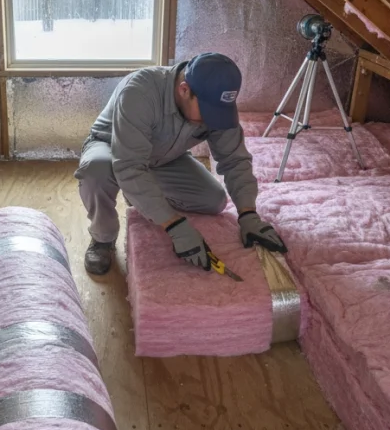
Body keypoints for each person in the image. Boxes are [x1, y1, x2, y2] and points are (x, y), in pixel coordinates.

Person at [75, 51, 287, 275]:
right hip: (113, 148)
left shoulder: (214, 101)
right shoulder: (140, 92)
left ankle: (139, 194)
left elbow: (234, 159)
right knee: (95, 171)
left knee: (213, 200)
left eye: (219, 113)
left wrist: (248, 214)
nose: (211, 119)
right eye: (207, 112)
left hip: (165, 157)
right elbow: (129, 166)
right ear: (184, 90)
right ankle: (102, 239)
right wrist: (175, 225)